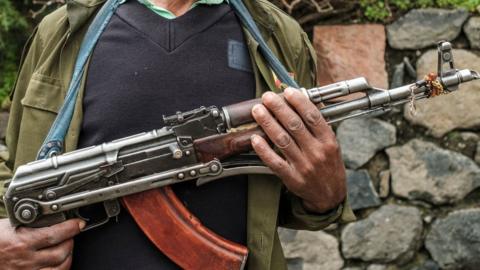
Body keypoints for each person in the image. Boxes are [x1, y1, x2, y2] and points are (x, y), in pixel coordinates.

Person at [0, 0, 355, 269]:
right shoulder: (63, 32)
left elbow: (296, 193)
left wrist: (325, 196)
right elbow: (14, 165)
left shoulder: (278, 36)